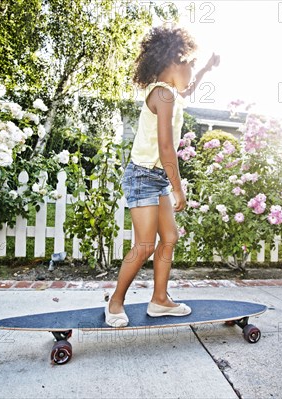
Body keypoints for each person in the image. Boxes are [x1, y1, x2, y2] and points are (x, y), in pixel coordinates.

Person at [105, 26, 220, 327]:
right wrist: (178, 189)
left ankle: (159, 300)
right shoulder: (162, 94)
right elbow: (167, 147)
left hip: (154, 176)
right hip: (144, 175)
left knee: (169, 237)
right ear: (176, 60)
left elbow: (189, 89)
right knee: (144, 245)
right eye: (192, 66)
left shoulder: (169, 93)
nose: (193, 74)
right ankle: (115, 301)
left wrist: (206, 68)